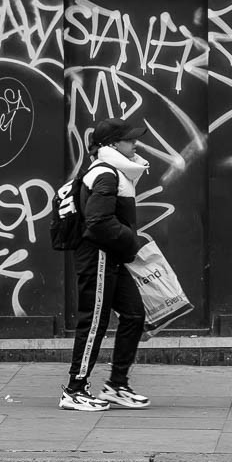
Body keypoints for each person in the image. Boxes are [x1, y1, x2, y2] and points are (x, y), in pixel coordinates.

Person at [60, 118, 151, 412]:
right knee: (94, 323)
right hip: (98, 256)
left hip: (110, 256)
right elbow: (98, 222)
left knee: (134, 314)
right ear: (113, 144)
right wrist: (130, 241)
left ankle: (116, 385)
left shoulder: (116, 172)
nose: (135, 143)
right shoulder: (106, 174)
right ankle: (75, 390)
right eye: (129, 139)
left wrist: (125, 244)